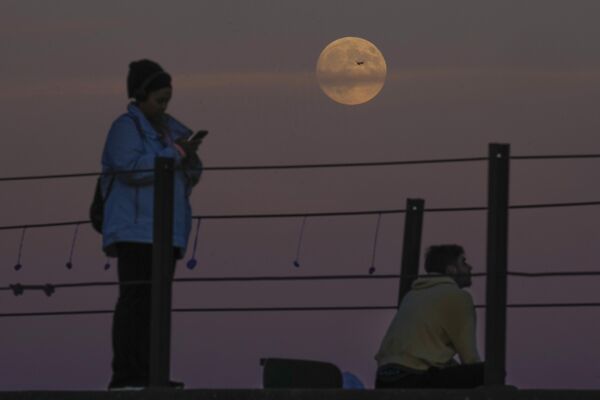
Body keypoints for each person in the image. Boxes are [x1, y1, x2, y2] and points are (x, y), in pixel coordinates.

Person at [101, 59, 203, 390]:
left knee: (156, 306)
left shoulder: (171, 129)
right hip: (135, 231)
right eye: (159, 99)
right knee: (135, 304)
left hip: (165, 231)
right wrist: (174, 153)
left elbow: (187, 178)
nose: (163, 106)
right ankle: (128, 375)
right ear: (140, 96)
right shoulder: (124, 129)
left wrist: (189, 157)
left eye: (167, 100)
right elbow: (133, 169)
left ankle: (152, 374)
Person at [374, 244, 484, 389]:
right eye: (463, 262)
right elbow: (469, 358)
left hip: (384, 379)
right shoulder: (458, 297)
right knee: (488, 372)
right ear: (451, 269)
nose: (470, 267)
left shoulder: (412, 294)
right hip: (414, 377)